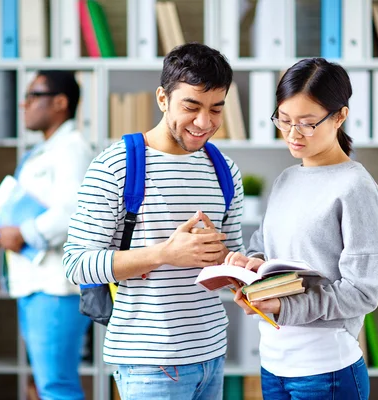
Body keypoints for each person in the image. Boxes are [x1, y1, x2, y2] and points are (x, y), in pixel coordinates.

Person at [63, 43, 245, 400]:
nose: (204, 122)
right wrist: (164, 253)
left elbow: (230, 256)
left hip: (212, 354)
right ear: (163, 98)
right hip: (150, 364)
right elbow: (76, 265)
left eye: (216, 108)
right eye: (191, 106)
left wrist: (243, 270)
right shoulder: (116, 166)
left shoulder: (225, 170)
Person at [226, 58, 378, 400]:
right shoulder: (287, 179)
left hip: (326, 369)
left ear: (340, 116)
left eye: (306, 123)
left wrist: (284, 305)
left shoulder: (356, 188)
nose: (292, 134)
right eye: (284, 120)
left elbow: (363, 292)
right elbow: (264, 245)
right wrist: (249, 268)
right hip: (273, 363)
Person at [0, 70, 94, 400]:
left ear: (60, 102)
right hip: (37, 284)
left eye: (33, 95)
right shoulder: (49, 148)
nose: (24, 103)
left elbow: (72, 212)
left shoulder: (72, 148)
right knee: (49, 384)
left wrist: (22, 233)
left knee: (56, 386)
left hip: (55, 288)